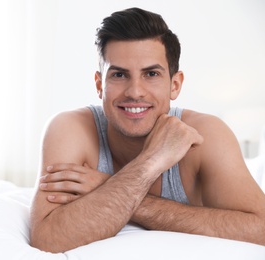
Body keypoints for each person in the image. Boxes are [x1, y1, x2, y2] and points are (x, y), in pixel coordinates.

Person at [29, 7, 265, 253]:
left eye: (151, 74)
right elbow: (48, 239)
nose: (135, 92)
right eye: (119, 74)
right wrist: (151, 161)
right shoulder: (69, 129)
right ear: (100, 85)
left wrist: (107, 186)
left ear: (175, 85)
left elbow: (260, 229)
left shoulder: (206, 133)